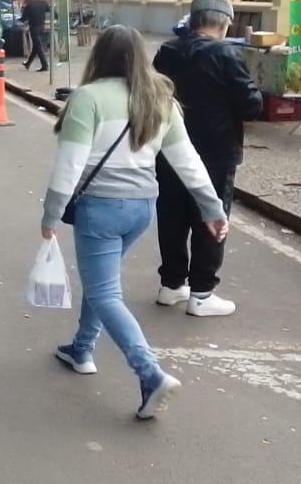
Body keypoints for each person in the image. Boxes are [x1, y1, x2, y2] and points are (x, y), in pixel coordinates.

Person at [41, 25, 228, 420]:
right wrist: (212, 209)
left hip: (101, 209)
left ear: (99, 57)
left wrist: (51, 214)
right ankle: (81, 348)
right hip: (142, 208)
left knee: (105, 291)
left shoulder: (87, 98)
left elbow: (70, 165)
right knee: (102, 282)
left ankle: (150, 374)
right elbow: (188, 163)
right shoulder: (161, 100)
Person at [153, 0, 263, 316]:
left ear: (193, 21)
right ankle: (201, 292)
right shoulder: (225, 55)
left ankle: (171, 284)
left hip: (169, 149)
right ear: (225, 23)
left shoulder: (167, 51)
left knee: (171, 218)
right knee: (211, 216)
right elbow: (250, 105)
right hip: (216, 152)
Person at [20, 0, 51, 72]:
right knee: (36, 46)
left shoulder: (29, 5)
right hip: (42, 27)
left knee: (38, 46)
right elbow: (51, 11)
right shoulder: (43, 2)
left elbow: (23, 19)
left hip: (34, 28)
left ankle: (45, 65)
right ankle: (28, 63)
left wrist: (23, 7)